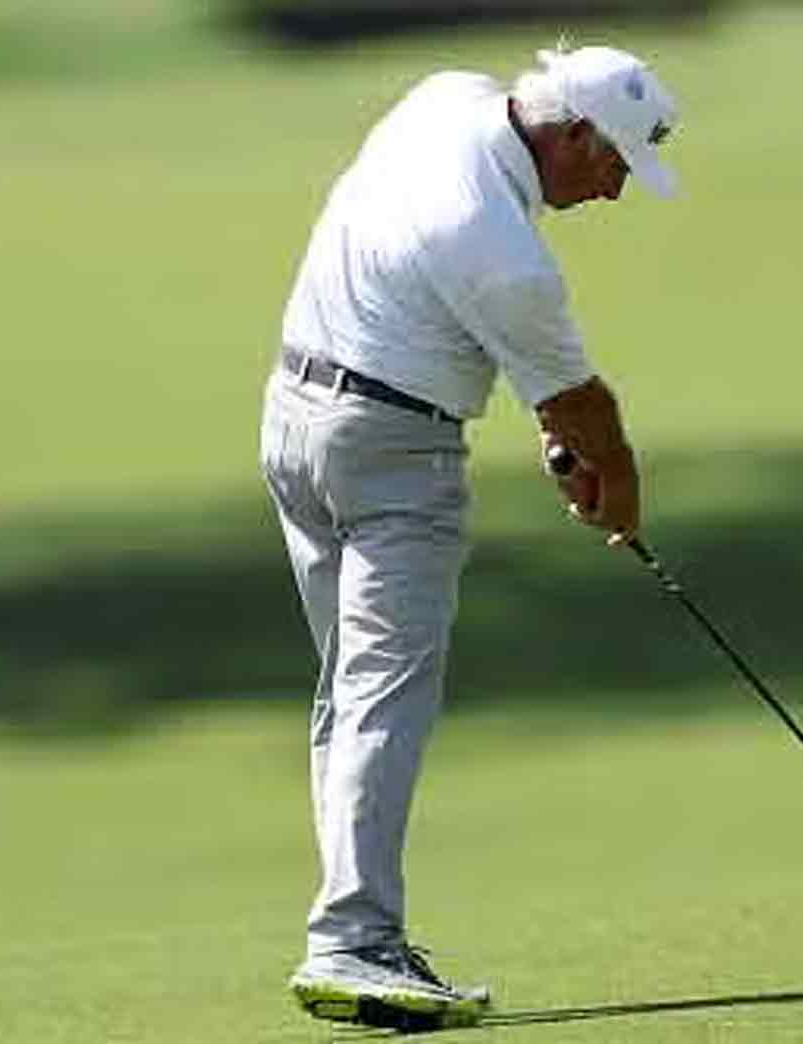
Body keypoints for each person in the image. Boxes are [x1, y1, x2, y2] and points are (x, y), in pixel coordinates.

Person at [258, 44, 681, 1031]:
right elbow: (586, 410)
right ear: (573, 133)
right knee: (381, 690)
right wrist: (614, 490)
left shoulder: (442, 99)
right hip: (394, 457)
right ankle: (353, 941)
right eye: (614, 163)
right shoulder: (508, 260)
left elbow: (492, 340)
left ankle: (356, 936)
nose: (615, 190)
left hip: (294, 423)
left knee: (350, 688)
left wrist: (550, 421)